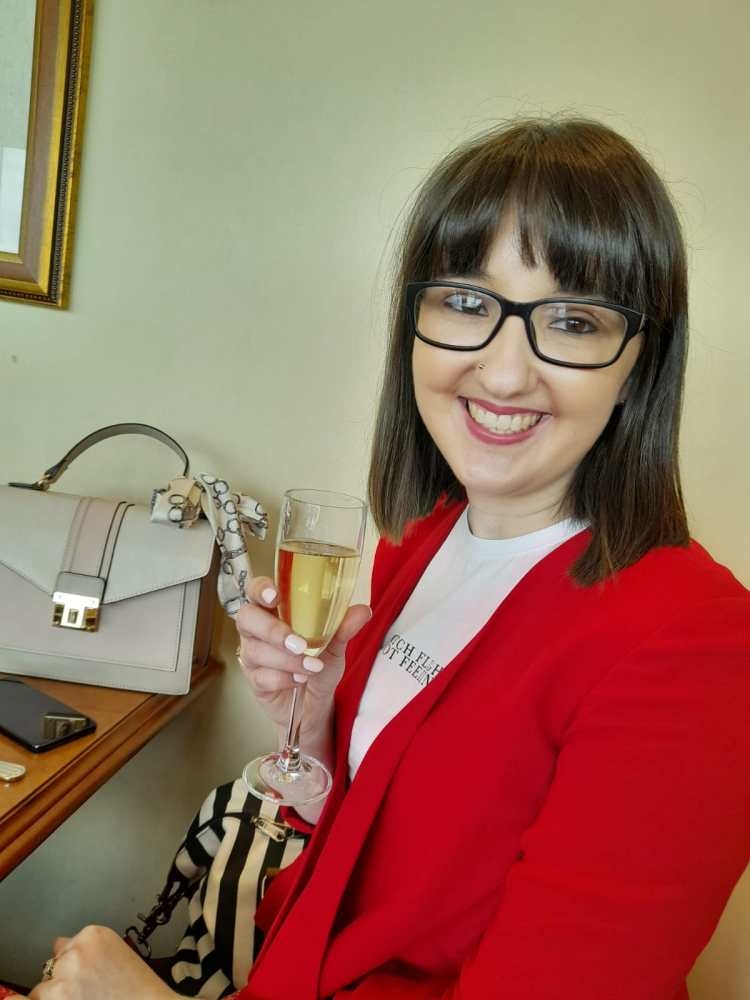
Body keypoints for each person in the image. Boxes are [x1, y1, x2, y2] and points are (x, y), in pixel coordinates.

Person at [11, 117, 750, 1000]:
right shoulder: (427, 536)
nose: (504, 374)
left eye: (573, 320)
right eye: (467, 304)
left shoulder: (699, 645)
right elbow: (386, 856)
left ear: (639, 363)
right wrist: (320, 720)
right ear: (415, 322)